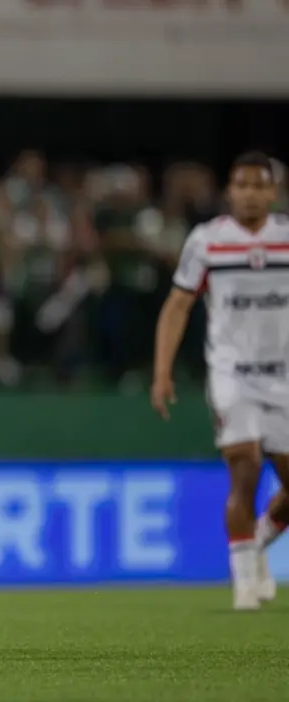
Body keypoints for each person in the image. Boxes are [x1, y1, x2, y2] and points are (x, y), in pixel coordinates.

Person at [152, 151, 289, 611]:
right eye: (242, 185)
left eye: (259, 185)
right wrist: (162, 370)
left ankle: (259, 540)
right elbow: (178, 305)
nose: (250, 194)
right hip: (233, 374)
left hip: (285, 376)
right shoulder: (207, 241)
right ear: (230, 191)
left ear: (273, 192)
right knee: (244, 467)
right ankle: (244, 579)